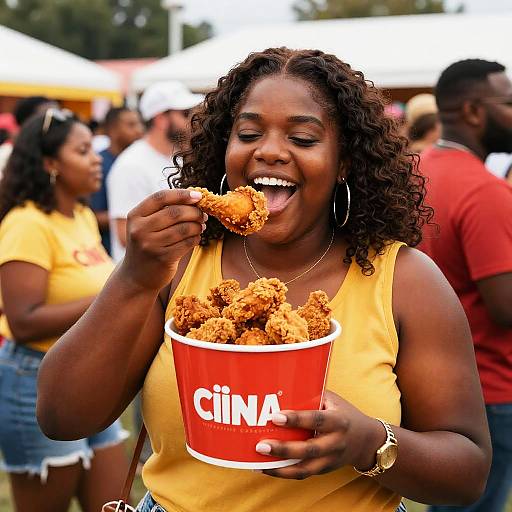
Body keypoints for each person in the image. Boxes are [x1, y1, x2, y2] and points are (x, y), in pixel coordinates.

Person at [37, 48, 491, 512]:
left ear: (344, 163)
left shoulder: (405, 281)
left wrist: (369, 443)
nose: (270, 151)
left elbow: (468, 470)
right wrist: (133, 278)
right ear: (224, 148)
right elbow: (61, 416)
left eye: (303, 138)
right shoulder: (176, 264)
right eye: (249, 133)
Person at [0, 109, 128, 512]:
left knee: (111, 501)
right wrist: (111, 298)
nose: (97, 158)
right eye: (83, 150)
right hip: (33, 378)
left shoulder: (84, 216)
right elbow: (22, 321)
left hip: (88, 375)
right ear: (51, 164)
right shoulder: (28, 224)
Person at [419, 59, 512, 512]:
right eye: (509, 102)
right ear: (474, 111)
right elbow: (505, 306)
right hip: (490, 390)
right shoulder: (485, 191)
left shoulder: (417, 171)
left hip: (431, 383)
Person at [107, 80, 203, 262]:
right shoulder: (131, 165)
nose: (194, 120)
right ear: (161, 119)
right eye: (185, 114)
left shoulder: (179, 158)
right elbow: (125, 234)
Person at [90, 107, 144, 254]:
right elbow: (93, 215)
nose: (139, 130)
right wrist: (133, 216)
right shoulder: (98, 164)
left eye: (139, 124)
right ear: (113, 130)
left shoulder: (139, 161)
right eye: (131, 125)